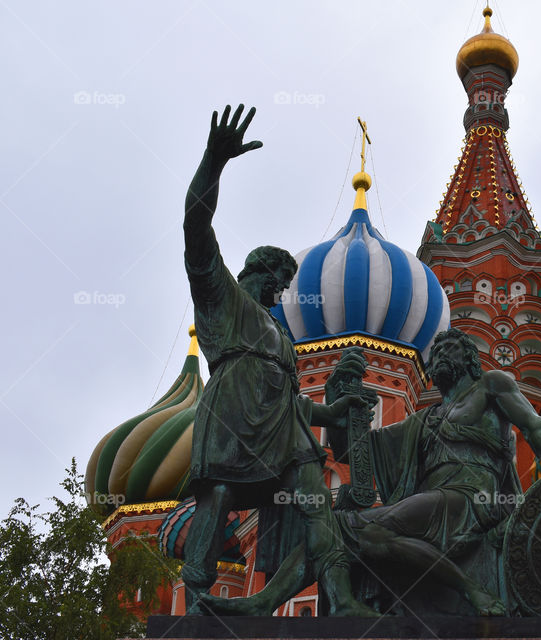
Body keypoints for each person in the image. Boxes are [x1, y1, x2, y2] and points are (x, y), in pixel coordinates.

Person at [198, 328, 541, 616]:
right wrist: (340, 399)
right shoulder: (426, 419)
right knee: (329, 526)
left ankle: (473, 590)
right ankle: (264, 602)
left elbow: (536, 427)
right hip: (436, 499)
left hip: (474, 498)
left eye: (449, 347)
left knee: (356, 526)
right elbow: (356, 453)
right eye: (435, 350)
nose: (439, 354)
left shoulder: (491, 386)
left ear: (469, 358)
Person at [180, 104, 373, 616]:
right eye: (281, 280)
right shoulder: (224, 296)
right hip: (233, 410)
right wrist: (213, 163)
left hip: (283, 429)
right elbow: (195, 228)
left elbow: (293, 400)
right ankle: (198, 592)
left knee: (317, 507)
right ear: (262, 271)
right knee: (219, 494)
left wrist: (331, 414)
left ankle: (343, 600)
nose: (285, 290)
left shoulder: (279, 334)